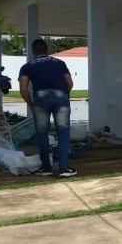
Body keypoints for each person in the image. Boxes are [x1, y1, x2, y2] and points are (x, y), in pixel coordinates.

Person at [19, 39, 77, 177]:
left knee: (42, 134)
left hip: (40, 97)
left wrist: (31, 104)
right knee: (63, 132)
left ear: (33, 52)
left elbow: (23, 89)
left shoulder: (27, 66)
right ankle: (63, 167)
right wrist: (64, 95)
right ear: (48, 50)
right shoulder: (60, 63)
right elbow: (69, 83)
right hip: (60, 96)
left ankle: (46, 167)